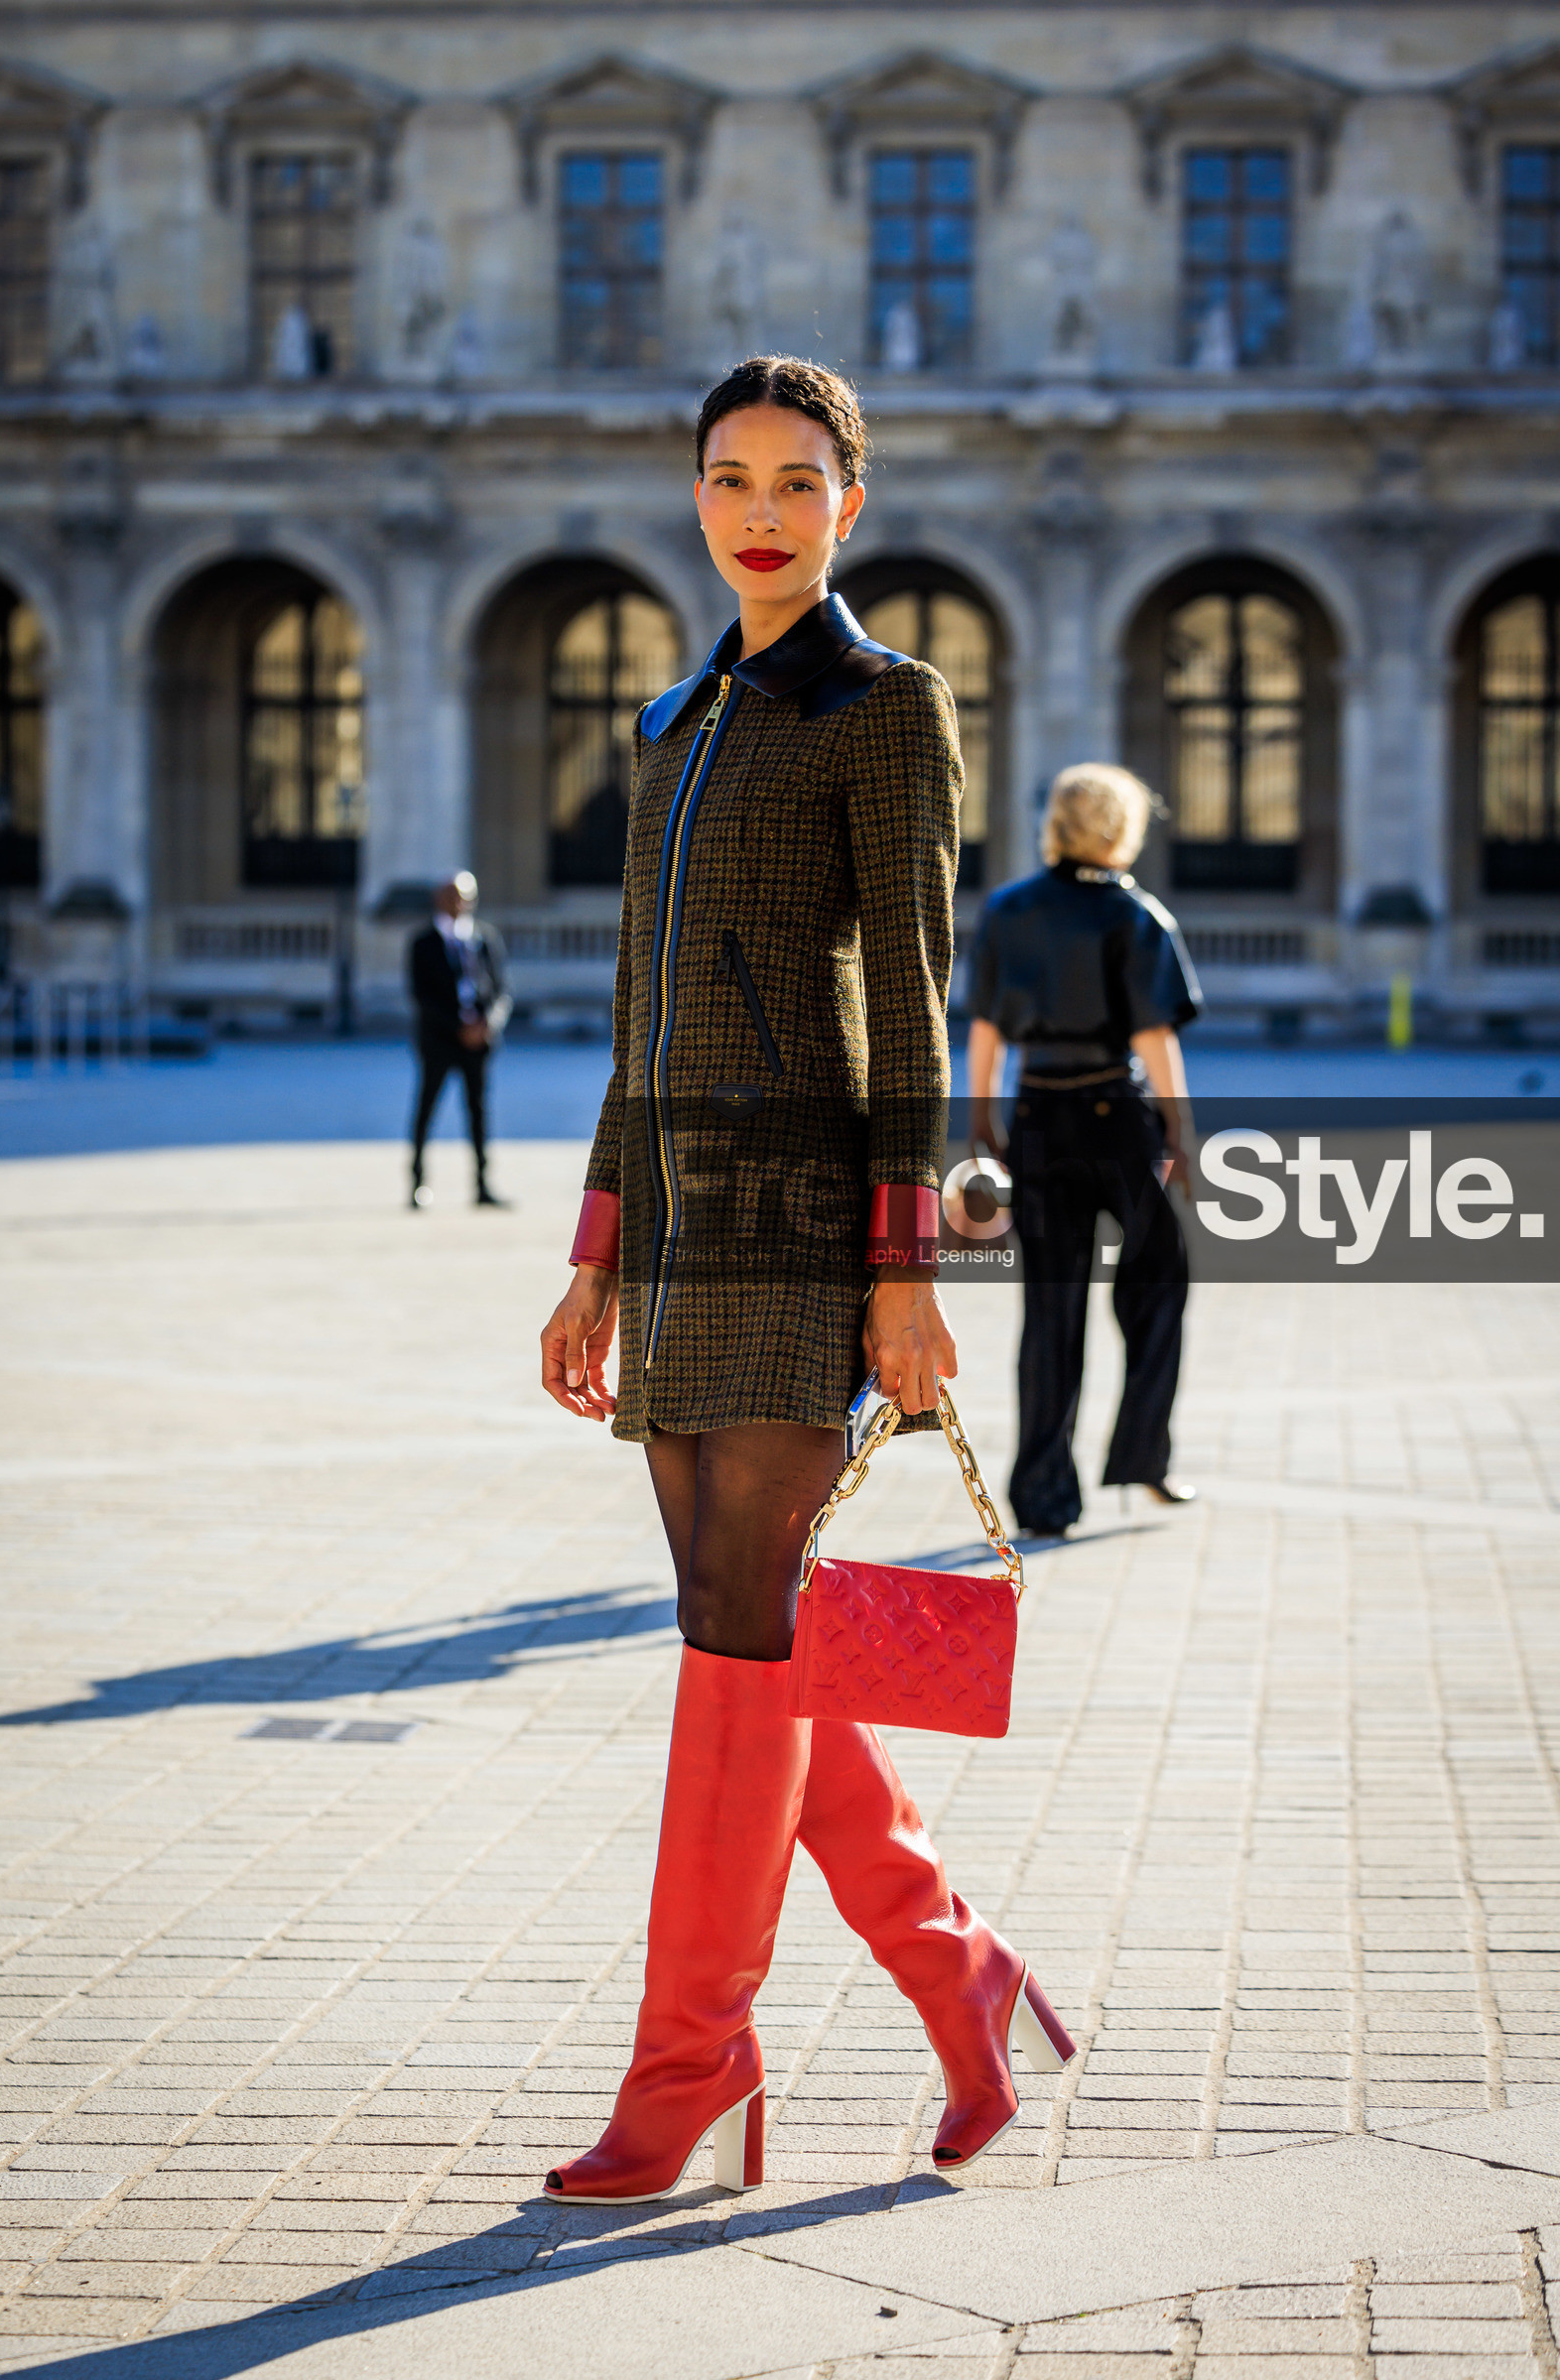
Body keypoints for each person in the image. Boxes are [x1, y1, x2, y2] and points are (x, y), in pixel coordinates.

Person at [537, 355, 1076, 2204]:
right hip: (683, 1222)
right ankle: (960, 1972)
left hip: (804, 1213)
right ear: (695, 494)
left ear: (853, 498)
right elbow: (638, 1012)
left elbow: (915, 996)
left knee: (732, 1638)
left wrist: (905, 1266)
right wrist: (596, 1251)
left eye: (795, 479)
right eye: (728, 476)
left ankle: (689, 2062)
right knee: (751, 1625)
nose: (759, 511)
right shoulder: (676, 721)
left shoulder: (886, 702)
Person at [968, 764, 1202, 1540]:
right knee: (1158, 1278)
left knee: (1051, 1309)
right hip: (1116, 1117)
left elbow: (986, 1026)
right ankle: (1143, 1456)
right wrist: (1180, 1128)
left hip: (1036, 1112)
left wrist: (984, 1115)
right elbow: (1153, 1035)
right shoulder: (1135, 913)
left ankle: (1043, 1497)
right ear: (1120, 826)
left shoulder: (1007, 908)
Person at [407, 872, 511, 1208]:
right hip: (440, 1040)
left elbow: (501, 991)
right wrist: (458, 1027)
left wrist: (489, 1024)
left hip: (478, 1042)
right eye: (452, 896)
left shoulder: (485, 938)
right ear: (439, 899)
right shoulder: (423, 942)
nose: (459, 903)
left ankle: (482, 1184)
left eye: (465, 897)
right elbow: (421, 995)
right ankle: (417, 1182)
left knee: (477, 1111)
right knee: (427, 1108)